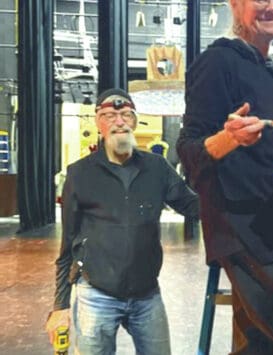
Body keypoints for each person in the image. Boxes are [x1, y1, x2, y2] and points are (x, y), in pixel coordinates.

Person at [176, 0, 273, 354]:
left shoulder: (270, 72)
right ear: (235, 4)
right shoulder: (218, 62)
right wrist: (229, 137)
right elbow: (187, 149)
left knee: (257, 345)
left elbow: (266, 155)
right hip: (242, 230)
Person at [45, 88, 200, 354]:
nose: (118, 121)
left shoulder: (157, 168)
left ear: (135, 122)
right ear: (98, 123)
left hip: (147, 295)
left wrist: (228, 182)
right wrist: (60, 306)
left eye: (126, 115)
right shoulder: (79, 174)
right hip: (96, 295)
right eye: (109, 115)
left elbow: (195, 207)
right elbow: (67, 244)